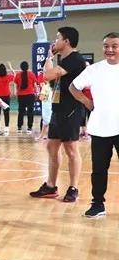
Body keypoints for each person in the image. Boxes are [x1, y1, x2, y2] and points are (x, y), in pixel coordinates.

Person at [29, 27, 87, 203]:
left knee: (71, 149)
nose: (55, 42)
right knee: (52, 147)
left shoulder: (75, 59)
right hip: (58, 108)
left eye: (58, 38)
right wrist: (50, 57)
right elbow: (51, 79)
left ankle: (73, 188)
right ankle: (50, 186)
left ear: (66, 41)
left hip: (71, 110)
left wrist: (49, 57)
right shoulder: (64, 60)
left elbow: (46, 76)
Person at [70, 32, 119, 218]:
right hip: (100, 128)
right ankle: (98, 204)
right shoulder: (94, 69)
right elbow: (73, 87)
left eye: (114, 46)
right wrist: (86, 102)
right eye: (106, 46)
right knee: (99, 170)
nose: (110, 49)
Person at [14, 61, 38, 135]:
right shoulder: (31, 74)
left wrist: (16, 92)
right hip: (30, 95)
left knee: (21, 111)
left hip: (21, 95)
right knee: (30, 111)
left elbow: (16, 85)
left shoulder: (18, 75)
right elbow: (35, 85)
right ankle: (29, 127)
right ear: (27, 67)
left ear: (21, 67)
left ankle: (19, 127)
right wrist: (37, 92)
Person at [0, 63, 15, 134]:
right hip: (6, 96)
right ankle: (6, 127)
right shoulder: (8, 77)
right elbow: (14, 75)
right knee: (6, 112)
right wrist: (10, 67)